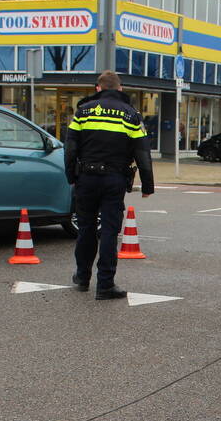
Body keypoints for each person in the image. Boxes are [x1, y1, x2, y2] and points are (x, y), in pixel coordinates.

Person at [64, 70, 154, 300]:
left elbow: (70, 146)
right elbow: (142, 152)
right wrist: (147, 186)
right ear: (120, 89)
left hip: (86, 178)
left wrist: (71, 176)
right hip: (114, 179)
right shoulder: (131, 115)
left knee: (85, 229)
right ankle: (105, 285)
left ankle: (82, 278)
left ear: (98, 88)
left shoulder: (83, 112)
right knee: (110, 232)